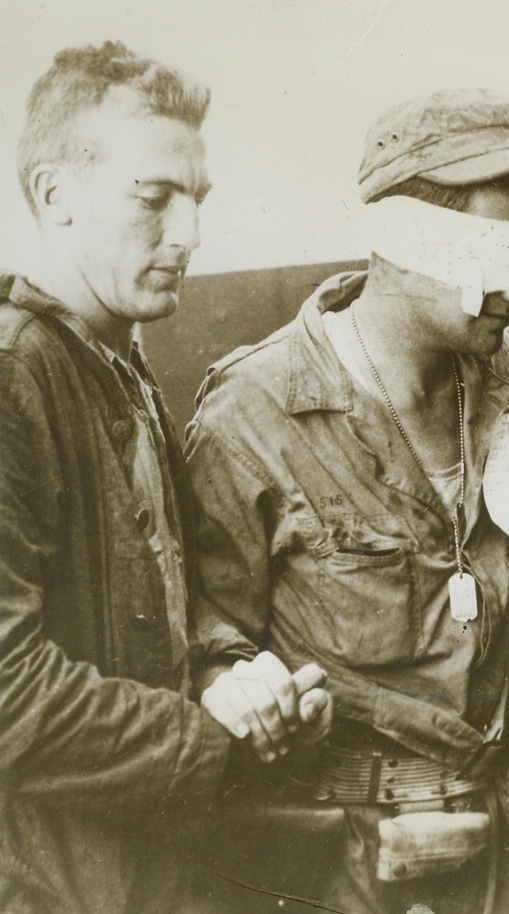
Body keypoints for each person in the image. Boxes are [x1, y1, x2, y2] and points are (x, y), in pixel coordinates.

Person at [186, 87, 509, 914]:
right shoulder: (253, 416)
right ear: (403, 242)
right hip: (341, 867)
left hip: (503, 851)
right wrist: (236, 684)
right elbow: (207, 642)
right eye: (494, 258)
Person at [0, 40, 330, 914]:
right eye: (154, 199)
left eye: (197, 200)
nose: (189, 235)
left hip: (148, 873)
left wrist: (240, 682)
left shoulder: (118, 366)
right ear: (54, 196)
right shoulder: (13, 374)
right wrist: (212, 740)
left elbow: (158, 608)